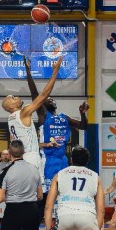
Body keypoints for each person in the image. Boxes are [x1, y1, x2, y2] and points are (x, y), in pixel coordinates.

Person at [23, 59, 88, 193]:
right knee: (47, 193)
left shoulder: (64, 117)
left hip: (62, 160)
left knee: (62, 192)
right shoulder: (43, 115)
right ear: (42, 103)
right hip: (47, 160)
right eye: (48, 98)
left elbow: (83, 126)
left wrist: (83, 114)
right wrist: (28, 71)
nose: (51, 98)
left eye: (52, 98)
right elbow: (34, 93)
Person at [1, 55, 62, 172]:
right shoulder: (23, 113)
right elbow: (44, 95)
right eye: (13, 98)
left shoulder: (10, 120)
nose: (16, 97)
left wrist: (45, 145)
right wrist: (55, 71)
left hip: (21, 158)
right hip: (31, 158)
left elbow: (23, 143)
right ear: (11, 106)